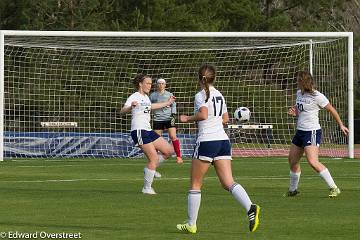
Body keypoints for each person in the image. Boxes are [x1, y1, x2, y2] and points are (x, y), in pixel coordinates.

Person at [176, 64, 261, 234]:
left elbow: (203, 115)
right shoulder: (219, 94)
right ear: (214, 78)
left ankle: (191, 224)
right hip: (223, 141)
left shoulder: (200, 95)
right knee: (228, 182)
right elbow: (226, 119)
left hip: (207, 141)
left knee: (195, 184)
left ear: (200, 79)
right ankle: (250, 207)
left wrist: (187, 118)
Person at [286, 70, 349, 198]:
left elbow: (331, 109)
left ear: (303, 81)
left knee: (313, 162)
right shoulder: (299, 93)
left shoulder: (318, 96)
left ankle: (334, 188)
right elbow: (301, 110)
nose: (297, 82)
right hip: (300, 131)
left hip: (312, 132)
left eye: (298, 79)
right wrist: (295, 113)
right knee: (292, 161)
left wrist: (341, 124)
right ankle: (293, 191)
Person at [120, 73, 176, 195]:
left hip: (148, 130)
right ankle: (147, 188)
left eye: (151, 83)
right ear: (140, 84)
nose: (150, 86)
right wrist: (130, 107)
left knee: (168, 151)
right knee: (153, 158)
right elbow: (122, 111)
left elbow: (152, 106)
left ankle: (151, 168)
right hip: (139, 130)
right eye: (148, 83)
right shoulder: (134, 96)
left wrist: (167, 103)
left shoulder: (146, 97)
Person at [149, 78, 183, 165]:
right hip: (158, 119)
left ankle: (179, 156)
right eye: (159, 83)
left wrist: (173, 114)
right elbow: (149, 106)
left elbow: (174, 104)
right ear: (157, 85)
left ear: (165, 85)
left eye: (162, 83)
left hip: (169, 118)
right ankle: (154, 158)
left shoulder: (169, 94)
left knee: (173, 136)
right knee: (156, 139)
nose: (160, 85)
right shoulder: (152, 95)